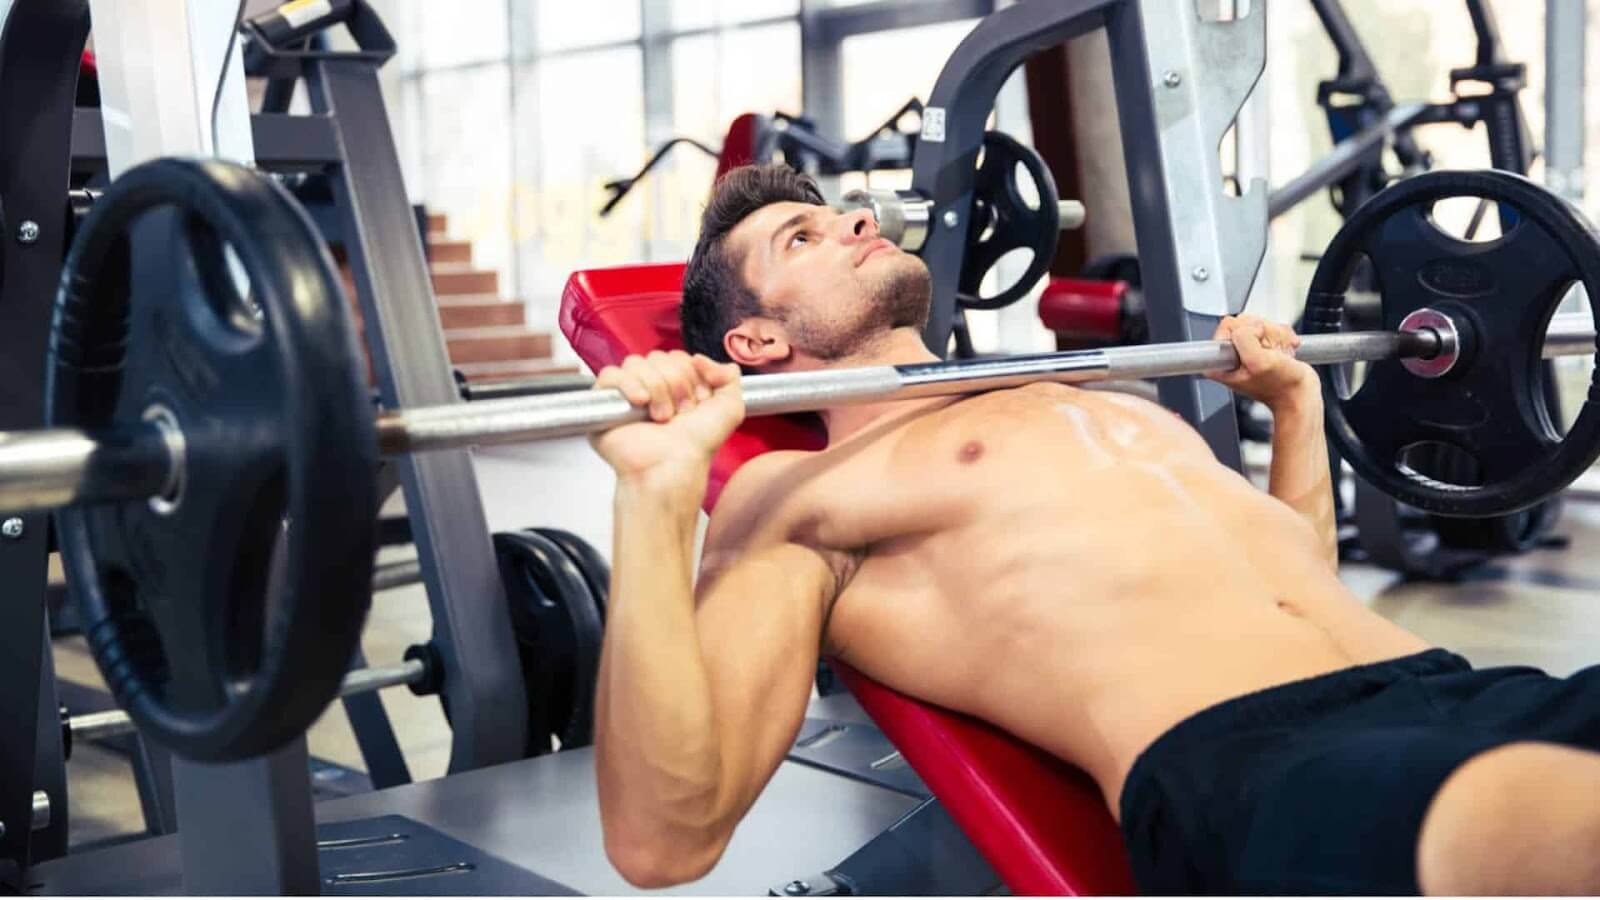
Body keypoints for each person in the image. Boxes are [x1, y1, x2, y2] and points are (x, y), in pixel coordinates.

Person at [587, 165, 1600, 895]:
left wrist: (1293, 407)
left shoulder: (1089, 399)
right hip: (1263, 770)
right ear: (756, 339)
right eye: (799, 238)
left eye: (838, 210)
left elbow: (1292, 579)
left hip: (1439, 685)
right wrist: (659, 495)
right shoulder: (799, 493)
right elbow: (664, 842)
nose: (854, 218)